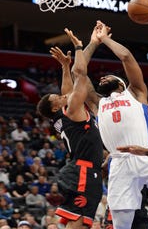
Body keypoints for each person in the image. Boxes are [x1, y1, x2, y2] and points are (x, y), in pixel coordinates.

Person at [83, 21, 148, 229]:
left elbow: (126, 57)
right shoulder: (97, 103)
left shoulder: (135, 92)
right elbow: (79, 74)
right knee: (121, 225)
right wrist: (92, 43)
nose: (102, 78)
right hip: (119, 162)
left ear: (120, 83)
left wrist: (105, 39)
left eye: (108, 76)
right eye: (101, 79)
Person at [37, 29, 104, 229]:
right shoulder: (72, 111)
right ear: (57, 107)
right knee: (79, 220)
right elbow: (80, 75)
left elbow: (67, 91)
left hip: (82, 168)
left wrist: (65, 66)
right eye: (57, 98)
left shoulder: (64, 116)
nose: (61, 94)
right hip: (83, 169)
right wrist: (79, 47)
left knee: (83, 222)